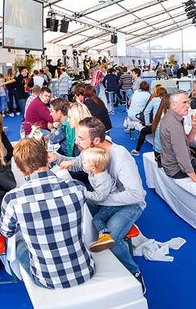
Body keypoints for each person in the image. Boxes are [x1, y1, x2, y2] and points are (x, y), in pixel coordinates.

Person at [51, 118, 147, 285]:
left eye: (81, 138)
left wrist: (99, 198)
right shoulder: (90, 150)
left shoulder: (121, 157)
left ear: (96, 140)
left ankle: (134, 273)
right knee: (80, 211)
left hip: (129, 204)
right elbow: (78, 164)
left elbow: (136, 195)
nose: (76, 141)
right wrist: (56, 157)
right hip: (106, 198)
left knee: (112, 237)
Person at [0, 138, 95, 288]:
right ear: (47, 158)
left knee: (18, 243)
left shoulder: (13, 200)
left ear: (20, 169)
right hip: (85, 270)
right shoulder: (77, 188)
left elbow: (6, 231)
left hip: (46, 280)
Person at [73, 147, 117, 252]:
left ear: (93, 167)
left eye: (84, 162)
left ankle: (105, 236)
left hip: (112, 204)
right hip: (103, 199)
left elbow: (100, 197)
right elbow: (81, 167)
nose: (82, 163)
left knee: (97, 219)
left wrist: (84, 192)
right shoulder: (93, 171)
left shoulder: (103, 179)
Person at [131, 86, 167, 155]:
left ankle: (137, 150)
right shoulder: (170, 100)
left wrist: (147, 123)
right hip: (168, 125)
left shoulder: (154, 100)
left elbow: (146, 112)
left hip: (157, 125)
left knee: (143, 131)